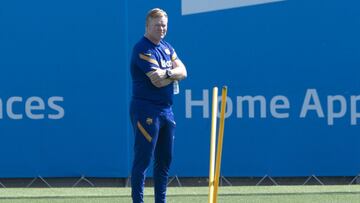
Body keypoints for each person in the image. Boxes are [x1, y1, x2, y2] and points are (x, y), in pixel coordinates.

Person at [129, 8, 187, 203]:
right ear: (147, 26)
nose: (161, 29)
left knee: (164, 162)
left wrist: (168, 73)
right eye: (157, 25)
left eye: (164, 25)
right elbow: (156, 81)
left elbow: (184, 71)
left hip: (166, 110)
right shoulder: (142, 48)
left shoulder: (167, 47)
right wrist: (173, 72)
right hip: (146, 109)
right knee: (143, 160)